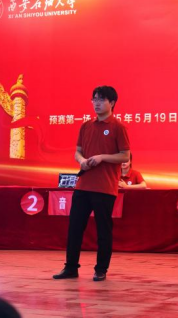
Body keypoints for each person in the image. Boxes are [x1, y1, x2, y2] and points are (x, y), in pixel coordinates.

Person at [53, 86, 130, 282]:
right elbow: (77, 151)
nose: (96, 103)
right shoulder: (86, 125)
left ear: (112, 103)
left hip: (104, 187)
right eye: (94, 99)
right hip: (83, 185)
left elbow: (125, 156)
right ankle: (71, 267)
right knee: (75, 228)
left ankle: (101, 269)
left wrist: (102, 157)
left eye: (101, 99)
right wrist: (81, 161)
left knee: (103, 230)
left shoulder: (118, 127)